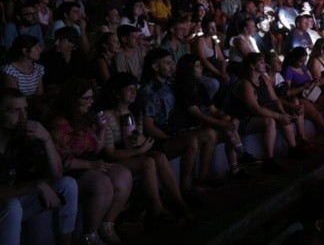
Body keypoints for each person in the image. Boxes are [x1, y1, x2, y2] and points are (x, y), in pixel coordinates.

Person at [47, 78, 133, 244]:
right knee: (102, 183)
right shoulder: (59, 122)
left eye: (91, 97)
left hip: (89, 162)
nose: (91, 102)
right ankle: (89, 235)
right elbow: (61, 159)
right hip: (70, 169)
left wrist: (101, 129)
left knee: (123, 175)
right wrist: (91, 165)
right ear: (73, 99)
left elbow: (96, 148)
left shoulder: (86, 116)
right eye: (86, 98)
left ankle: (107, 224)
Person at [99, 72, 192, 224]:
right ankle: (158, 209)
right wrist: (139, 150)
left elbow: (141, 138)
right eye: (129, 89)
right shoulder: (107, 117)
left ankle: (179, 201)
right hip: (116, 158)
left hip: (134, 150)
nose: (134, 92)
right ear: (117, 92)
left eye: (135, 88)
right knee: (147, 162)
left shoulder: (136, 112)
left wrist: (140, 141)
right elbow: (110, 153)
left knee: (159, 157)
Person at [0, 87, 78, 245]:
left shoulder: (22, 136)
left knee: (68, 184)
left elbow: (57, 174)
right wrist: (35, 185)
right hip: (7, 207)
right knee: (12, 206)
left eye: (25, 110)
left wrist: (47, 139)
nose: (23, 117)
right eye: (14, 111)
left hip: (14, 203)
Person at [140, 48, 216, 203]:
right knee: (191, 141)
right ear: (155, 67)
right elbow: (149, 126)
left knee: (209, 133)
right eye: (167, 63)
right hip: (159, 138)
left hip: (175, 130)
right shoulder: (148, 91)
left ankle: (201, 179)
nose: (171, 66)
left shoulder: (170, 84)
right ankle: (185, 187)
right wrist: (169, 135)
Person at [173, 54, 256, 180]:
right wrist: (224, 124)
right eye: (197, 66)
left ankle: (237, 163)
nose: (201, 68)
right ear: (188, 69)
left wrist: (228, 118)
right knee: (223, 128)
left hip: (199, 123)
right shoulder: (184, 88)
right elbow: (197, 115)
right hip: (187, 126)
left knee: (228, 121)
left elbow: (213, 110)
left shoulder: (199, 85)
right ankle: (239, 157)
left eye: (201, 65)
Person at [227, 52, 310, 174]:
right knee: (270, 121)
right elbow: (255, 108)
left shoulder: (264, 79)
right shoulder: (245, 84)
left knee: (284, 115)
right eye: (261, 62)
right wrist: (279, 115)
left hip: (258, 114)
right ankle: (269, 160)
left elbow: (275, 99)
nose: (264, 64)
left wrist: (282, 113)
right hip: (243, 119)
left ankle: (293, 148)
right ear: (251, 66)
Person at [1, 35, 45, 99]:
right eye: (36, 47)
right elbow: (15, 99)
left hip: (34, 105)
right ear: (25, 51)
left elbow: (39, 96)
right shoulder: (9, 70)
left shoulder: (38, 68)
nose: (41, 50)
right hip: (18, 107)